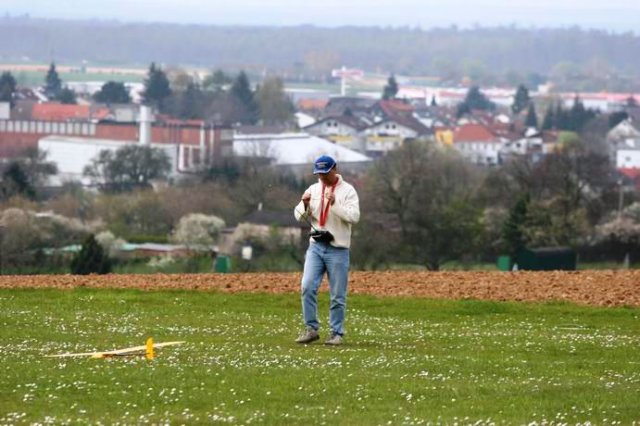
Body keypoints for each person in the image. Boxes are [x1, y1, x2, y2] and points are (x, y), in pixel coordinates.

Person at [293, 155, 360, 345]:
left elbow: (354, 217)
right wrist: (304, 204)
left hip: (338, 249)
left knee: (337, 295)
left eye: (325, 173)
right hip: (316, 246)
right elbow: (298, 216)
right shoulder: (313, 189)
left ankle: (336, 333)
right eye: (319, 174)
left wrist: (334, 204)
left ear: (334, 169)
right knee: (307, 287)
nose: (321, 177)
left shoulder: (348, 191)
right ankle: (311, 329)